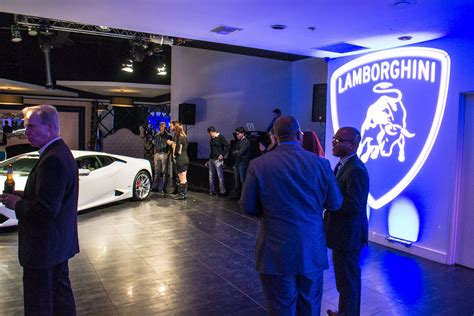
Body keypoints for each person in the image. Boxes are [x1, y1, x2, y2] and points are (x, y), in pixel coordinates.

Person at [240, 116, 342, 315]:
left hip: (275, 248)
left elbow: (248, 206)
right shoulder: (321, 164)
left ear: (275, 137)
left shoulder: (259, 165)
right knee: (310, 306)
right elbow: (335, 203)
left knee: (281, 307)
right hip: (311, 247)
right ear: (299, 135)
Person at [0, 104, 79, 315]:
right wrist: (23, 195)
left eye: (32, 127)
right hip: (57, 244)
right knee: (60, 298)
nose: (27, 132)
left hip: (43, 248)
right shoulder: (60, 152)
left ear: (51, 128)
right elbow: (51, 199)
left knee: (39, 304)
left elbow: (45, 210)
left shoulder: (52, 159)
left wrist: (16, 204)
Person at [325, 127, 370, 316]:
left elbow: (354, 206)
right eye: (334, 139)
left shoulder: (356, 170)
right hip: (342, 234)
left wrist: (329, 202)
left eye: (338, 140)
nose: (333, 143)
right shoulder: (343, 165)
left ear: (352, 144)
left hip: (348, 236)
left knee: (348, 281)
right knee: (345, 280)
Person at [168, 124, 189, 200]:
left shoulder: (179, 138)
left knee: (181, 178)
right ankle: (184, 194)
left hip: (180, 160)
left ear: (176, 130)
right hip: (185, 158)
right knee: (184, 177)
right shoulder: (185, 137)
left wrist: (174, 155)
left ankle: (181, 194)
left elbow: (178, 151)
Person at [206, 126, 229, 196]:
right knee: (211, 176)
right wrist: (208, 160)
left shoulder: (220, 137)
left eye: (209, 133)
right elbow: (212, 150)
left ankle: (222, 191)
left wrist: (222, 154)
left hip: (218, 160)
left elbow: (227, 146)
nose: (209, 135)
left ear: (212, 132)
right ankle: (212, 190)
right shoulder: (212, 139)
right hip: (211, 159)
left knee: (220, 176)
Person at [231, 127, 250, 199]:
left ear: (242, 133)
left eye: (238, 134)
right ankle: (238, 195)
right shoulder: (239, 142)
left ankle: (244, 197)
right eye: (236, 134)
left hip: (243, 163)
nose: (237, 135)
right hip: (237, 163)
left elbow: (239, 153)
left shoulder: (246, 142)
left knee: (242, 180)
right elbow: (234, 152)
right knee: (237, 181)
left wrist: (236, 152)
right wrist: (236, 152)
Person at [153, 122, 172, 193]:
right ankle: (155, 187)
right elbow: (155, 145)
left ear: (165, 127)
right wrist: (154, 154)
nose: (161, 127)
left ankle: (164, 188)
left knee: (164, 172)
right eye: (160, 126)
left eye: (163, 126)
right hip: (157, 154)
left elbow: (171, 147)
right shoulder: (156, 135)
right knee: (157, 171)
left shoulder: (168, 136)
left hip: (164, 154)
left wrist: (168, 154)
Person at [169, 120, 180, 194]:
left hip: (178, 157)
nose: (170, 127)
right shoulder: (176, 134)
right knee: (176, 174)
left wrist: (171, 142)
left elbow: (177, 145)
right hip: (175, 155)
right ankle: (176, 189)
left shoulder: (178, 135)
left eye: (171, 126)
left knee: (178, 174)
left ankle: (179, 190)